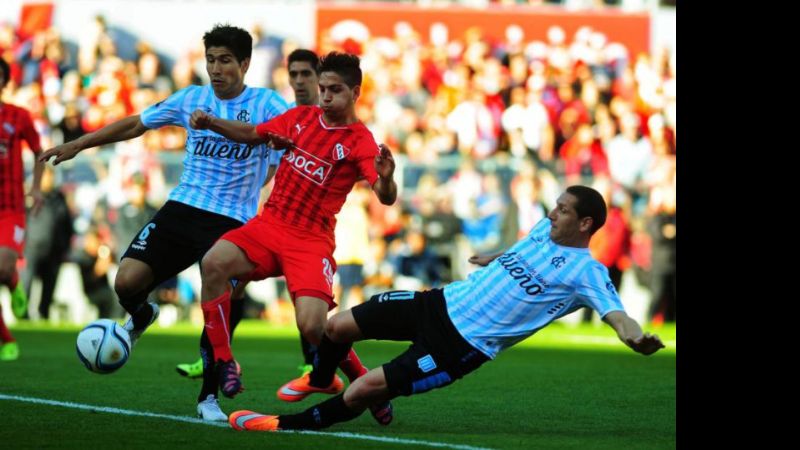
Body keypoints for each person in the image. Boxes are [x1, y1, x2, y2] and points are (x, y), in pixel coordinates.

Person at [225, 185, 665, 432]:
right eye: (555, 205)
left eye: (563, 210)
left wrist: (634, 337)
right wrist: (492, 258)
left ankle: (284, 426)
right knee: (337, 328)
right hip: (438, 302)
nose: (552, 213)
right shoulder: (542, 230)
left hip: (461, 344)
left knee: (361, 392)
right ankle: (321, 379)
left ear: (585, 224)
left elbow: (617, 314)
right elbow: (519, 251)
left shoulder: (586, 272)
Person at [38, 24, 289, 421]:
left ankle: (208, 398)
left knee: (216, 299)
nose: (216, 68)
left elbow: (285, 144)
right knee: (126, 281)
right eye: (210, 60)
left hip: (232, 220)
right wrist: (78, 144)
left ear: (245, 63)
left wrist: (267, 181)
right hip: (183, 207)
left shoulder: (268, 104)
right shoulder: (191, 97)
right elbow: (137, 123)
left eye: (225, 60)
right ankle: (143, 315)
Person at [190, 51, 397, 426]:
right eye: (322, 88)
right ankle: (223, 359)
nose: (325, 96)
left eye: (335, 90)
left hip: (310, 241)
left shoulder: (360, 141)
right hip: (270, 227)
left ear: (355, 92)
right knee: (213, 262)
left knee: (315, 328)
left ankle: (365, 383)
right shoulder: (300, 118)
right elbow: (253, 135)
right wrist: (212, 123)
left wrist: (386, 178)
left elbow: (385, 196)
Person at [176, 48, 322, 380]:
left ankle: (315, 363)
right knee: (231, 282)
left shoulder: (325, 121)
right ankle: (215, 354)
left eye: (306, 75)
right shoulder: (280, 113)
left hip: (310, 224)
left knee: (303, 291)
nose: (299, 81)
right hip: (270, 218)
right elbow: (261, 153)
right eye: (293, 74)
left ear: (320, 79)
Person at [0, 57, 45, 361]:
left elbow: (40, 152)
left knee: (2, 268)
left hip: (10, 207)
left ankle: (13, 281)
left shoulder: (18, 116)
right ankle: (6, 339)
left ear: (5, 81)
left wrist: (37, 188)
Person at [22, 165, 73, 320]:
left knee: (49, 286)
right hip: (31, 248)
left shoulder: (59, 197)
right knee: (26, 283)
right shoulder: (29, 197)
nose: (49, 179)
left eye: (50, 176)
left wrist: (65, 247)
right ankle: (23, 315)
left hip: (54, 250)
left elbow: (67, 224)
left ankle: (44, 313)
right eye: (45, 175)